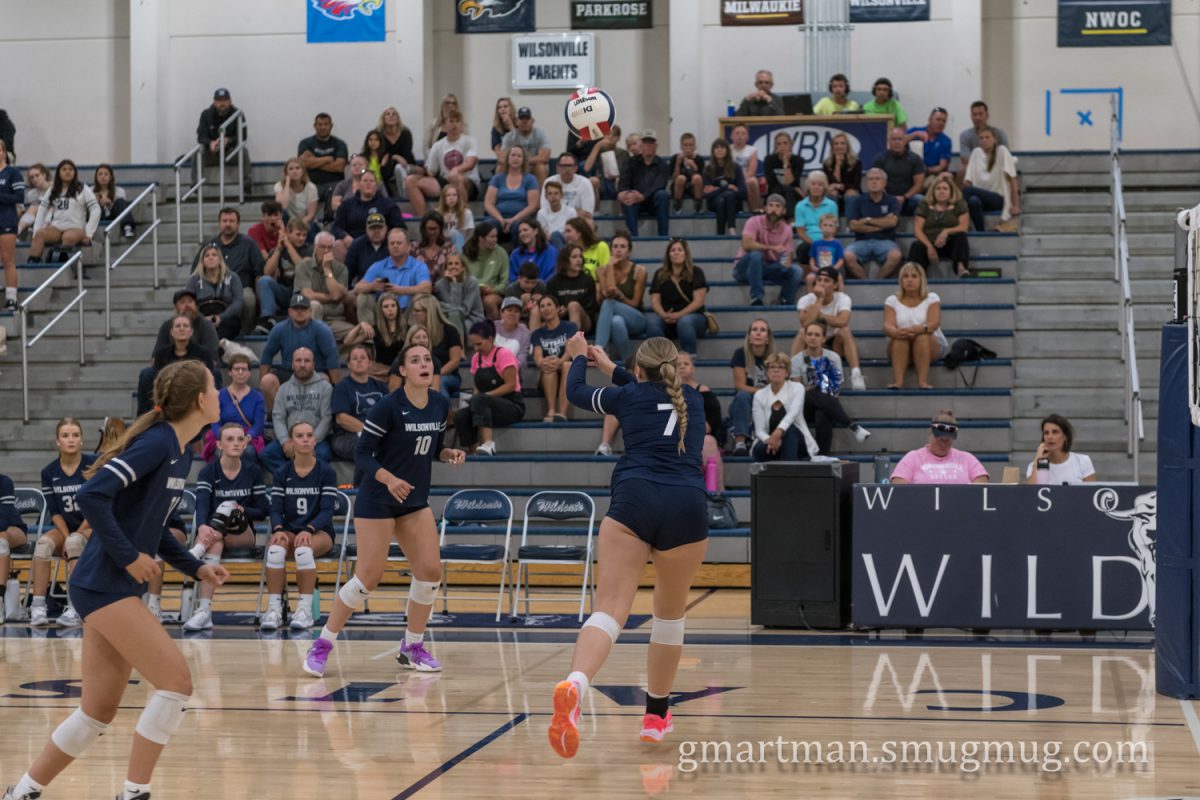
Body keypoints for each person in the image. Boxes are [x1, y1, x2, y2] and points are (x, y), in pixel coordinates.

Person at [4, 360, 228, 800]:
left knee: (97, 712)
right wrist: (128, 558)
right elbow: (92, 495)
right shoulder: (158, 442)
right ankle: (133, 792)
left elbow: (153, 525)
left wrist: (195, 567)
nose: (219, 393)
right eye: (214, 387)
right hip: (104, 583)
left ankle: (21, 792)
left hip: (107, 586)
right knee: (177, 683)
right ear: (201, 400)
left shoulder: (179, 450)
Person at [548, 333, 708, 758]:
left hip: (636, 498)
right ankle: (656, 717)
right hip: (687, 505)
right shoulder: (694, 398)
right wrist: (612, 365)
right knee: (670, 617)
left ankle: (575, 684)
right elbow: (647, 384)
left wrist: (581, 359)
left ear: (636, 371)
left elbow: (576, 392)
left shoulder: (626, 398)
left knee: (610, 611)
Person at [303, 344, 466, 677]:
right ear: (403, 371)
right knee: (368, 578)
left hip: (413, 499)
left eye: (428, 360)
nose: (424, 364)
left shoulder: (438, 404)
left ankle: (412, 647)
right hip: (377, 498)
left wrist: (447, 454)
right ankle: (322, 643)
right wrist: (389, 479)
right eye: (416, 360)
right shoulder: (387, 407)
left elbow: (431, 448)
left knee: (430, 571)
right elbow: (363, 454)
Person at [182, 423, 269, 631]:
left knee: (228, 506)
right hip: (214, 535)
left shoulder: (253, 471)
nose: (236, 443)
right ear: (219, 444)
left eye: (240, 439)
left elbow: (263, 510)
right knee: (214, 543)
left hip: (243, 534)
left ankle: (198, 549)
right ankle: (204, 611)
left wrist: (241, 509)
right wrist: (202, 526)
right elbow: (201, 503)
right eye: (230, 439)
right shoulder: (208, 472)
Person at [261, 421, 338, 631]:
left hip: (319, 532)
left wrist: (309, 529)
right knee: (275, 551)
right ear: (291, 441)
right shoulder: (281, 473)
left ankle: (304, 611)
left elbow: (327, 512)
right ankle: (274, 610)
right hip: (290, 530)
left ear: (315, 440)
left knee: (304, 551)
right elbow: (275, 509)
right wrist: (277, 529)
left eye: (309, 435)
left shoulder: (326, 472)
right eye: (299, 435)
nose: (305, 439)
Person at [31, 418, 96, 627]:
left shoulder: (93, 466)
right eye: (65, 436)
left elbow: (96, 507)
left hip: (93, 527)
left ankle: (76, 607)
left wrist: (76, 534)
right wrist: (67, 534)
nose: (71, 440)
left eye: (75, 435)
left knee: (74, 543)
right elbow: (54, 510)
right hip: (65, 527)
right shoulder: (49, 472)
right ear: (57, 441)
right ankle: (38, 606)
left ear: (82, 440)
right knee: (42, 545)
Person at [791, 321, 871, 454]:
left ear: (823, 339)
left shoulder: (833, 357)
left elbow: (835, 391)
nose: (812, 337)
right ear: (805, 337)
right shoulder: (797, 360)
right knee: (813, 392)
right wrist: (816, 387)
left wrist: (818, 388)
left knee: (823, 413)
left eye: (817, 335)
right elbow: (797, 391)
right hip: (804, 406)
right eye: (809, 334)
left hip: (828, 403)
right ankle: (853, 426)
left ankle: (822, 455)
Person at [454, 320, 525, 455]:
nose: (476, 348)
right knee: (461, 415)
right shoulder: (476, 358)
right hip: (485, 403)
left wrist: (485, 396)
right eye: (473, 345)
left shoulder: (504, 354)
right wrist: (472, 404)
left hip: (512, 405)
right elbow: (477, 387)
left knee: (480, 399)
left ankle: (488, 443)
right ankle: (474, 450)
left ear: (490, 339)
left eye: (479, 344)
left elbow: (511, 385)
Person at [261, 347, 335, 475]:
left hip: (316, 440)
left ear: (313, 364)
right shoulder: (284, 389)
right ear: (292, 364)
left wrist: (312, 441)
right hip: (291, 438)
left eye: (307, 361)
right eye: (298, 360)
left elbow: (327, 418)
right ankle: (291, 478)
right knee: (266, 454)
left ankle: (306, 480)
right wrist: (285, 442)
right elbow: (278, 417)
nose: (302, 365)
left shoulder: (325, 388)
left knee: (323, 454)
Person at [193, 207, 264, 334]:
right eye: (224, 221)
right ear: (219, 223)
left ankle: (245, 332)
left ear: (238, 224)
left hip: (241, 288)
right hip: (211, 288)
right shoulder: (209, 245)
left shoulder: (249, 244)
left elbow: (259, 273)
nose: (228, 224)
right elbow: (195, 272)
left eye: (232, 221)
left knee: (248, 298)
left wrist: (260, 299)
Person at [795, 267, 867, 390]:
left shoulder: (843, 298)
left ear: (835, 285)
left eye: (827, 280)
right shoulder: (806, 299)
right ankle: (794, 375)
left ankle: (856, 374)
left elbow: (843, 321)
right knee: (802, 333)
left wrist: (819, 315)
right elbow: (805, 323)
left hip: (835, 343)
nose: (822, 283)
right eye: (819, 280)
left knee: (845, 330)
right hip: (813, 342)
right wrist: (820, 300)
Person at [138, 315, 221, 414]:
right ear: (172, 332)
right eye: (178, 326)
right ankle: (146, 418)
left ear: (191, 332)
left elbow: (206, 380)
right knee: (146, 374)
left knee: (215, 374)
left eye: (185, 326)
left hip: (195, 394)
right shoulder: (161, 354)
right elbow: (159, 381)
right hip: (169, 394)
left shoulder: (203, 353)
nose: (182, 329)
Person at [883, 262, 948, 390]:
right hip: (901, 344)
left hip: (929, 343)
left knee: (922, 336)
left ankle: (923, 382)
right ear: (901, 280)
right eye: (905, 276)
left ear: (921, 279)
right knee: (899, 338)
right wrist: (895, 332)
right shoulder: (891, 300)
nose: (909, 280)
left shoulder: (932, 298)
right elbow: (887, 325)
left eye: (914, 276)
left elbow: (934, 323)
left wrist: (919, 329)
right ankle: (898, 382)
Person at [293, 231, 361, 349]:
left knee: (363, 333)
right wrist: (329, 297)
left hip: (335, 321)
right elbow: (308, 295)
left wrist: (327, 270)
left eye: (329, 247)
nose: (325, 251)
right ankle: (312, 353)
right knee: (314, 305)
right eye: (322, 247)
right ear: (315, 247)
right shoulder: (303, 266)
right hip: (310, 319)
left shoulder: (341, 269)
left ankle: (339, 356)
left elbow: (336, 296)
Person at [353, 227, 432, 328]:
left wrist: (400, 290)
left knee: (421, 298)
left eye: (399, 243)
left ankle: (415, 334)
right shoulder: (379, 266)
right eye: (392, 243)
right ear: (388, 246)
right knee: (363, 297)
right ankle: (369, 336)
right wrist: (372, 286)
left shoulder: (418, 266)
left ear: (408, 246)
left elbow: (427, 288)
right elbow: (357, 288)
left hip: (408, 311)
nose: (395, 246)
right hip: (383, 313)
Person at [407, 109, 480, 218]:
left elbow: (471, 163)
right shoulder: (438, 145)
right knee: (410, 181)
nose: (454, 125)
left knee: (456, 178)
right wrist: (420, 173)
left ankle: (461, 219)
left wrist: (456, 170)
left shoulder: (470, 141)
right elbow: (431, 172)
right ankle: (422, 219)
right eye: (451, 121)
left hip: (468, 181)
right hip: (446, 181)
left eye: (457, 121)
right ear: (444, 126)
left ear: (462, 125)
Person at [751, 352, 820, 462]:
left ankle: (787, 472)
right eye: (772, 367)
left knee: (791, 430)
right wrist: (771, 440)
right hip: (771, 443)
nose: (776, 370)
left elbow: (792, 414)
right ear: (767, 372)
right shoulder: (759, 395)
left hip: (797, 442)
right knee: (759, 449)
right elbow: (759, 431)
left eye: (781, 367)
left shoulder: (797, 388)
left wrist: (778, 432)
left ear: (787, 373)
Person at [28, 159, 100, 263]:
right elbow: (42, 209)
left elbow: (95, 209)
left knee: (68, 237)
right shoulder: (53, 188)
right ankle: (33, 264)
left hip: (76, 228)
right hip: (56, 228)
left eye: (71, 169)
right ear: (59, 173)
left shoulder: (82, 188)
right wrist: (36, 230)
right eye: (64, 169)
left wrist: (89, 233)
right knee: (39, 235)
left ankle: (61, 266)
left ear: (75, 172)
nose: (67, 172)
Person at [734, 194, 799, 306]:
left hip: (768, 267)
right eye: (771, 205)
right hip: (745, 268)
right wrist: (771, 248)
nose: (773, 209)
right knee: (756, 255)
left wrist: (787, 261)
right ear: (765, 208)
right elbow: (747, 244)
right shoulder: (753, 221)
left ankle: (784, 301)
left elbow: (788, 253)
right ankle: (756, 298)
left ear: (784, 211)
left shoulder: (787, 229)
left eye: (778, 206)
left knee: (796, 270)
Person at [645, 238, 708, 355]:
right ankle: (658, 360)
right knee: (653, 323)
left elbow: (698, 301)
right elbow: (655, 300)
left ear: (686, 253)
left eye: (680, 250)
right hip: (666, 318)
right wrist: (663, 315)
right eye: (673, 250)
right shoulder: (660, 274)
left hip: (693, 318)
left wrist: (679, 315)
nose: (676, 252)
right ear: (668, 255)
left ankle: (689, 358)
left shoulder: (696, 272)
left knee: (685, 322)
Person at [891, 410, 989, 484]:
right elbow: (898, 483)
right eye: (940, 439)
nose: (943, 444)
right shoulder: (913, 458)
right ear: (931, 434)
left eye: (948, 440)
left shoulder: (966, 458)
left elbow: (982, 480)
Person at [594, 230, 648, 363]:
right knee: (616, 321)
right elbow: (608, 292)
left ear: (629, 251)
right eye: (615, 246)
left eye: (622, 247)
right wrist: (610, 268)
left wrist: (622, 297)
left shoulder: (639, 271)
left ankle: (598, 349)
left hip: (636, 318)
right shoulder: (601, 270)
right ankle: (629, 362)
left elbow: (635, 303)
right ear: (611, 250)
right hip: (613, 319)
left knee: (610, 302)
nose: (618, 250)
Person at [202, 353, 266, 462]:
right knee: (219, 452)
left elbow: (258, 425)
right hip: (224, 435)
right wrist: (224, 437)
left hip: (247, 436)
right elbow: (215, 422)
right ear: (230, 372)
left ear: (249, 373)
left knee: (248, 452)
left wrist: (247, 438)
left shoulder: (258, 397)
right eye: (237, 369)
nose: (240, 372)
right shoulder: (219, 395)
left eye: (244, 369)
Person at [331, 170, 404, 264]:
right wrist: (344, 236)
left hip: (381, 243)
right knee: (338, 244)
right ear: (359, 184)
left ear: (376, 185)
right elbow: (336, 227)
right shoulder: (346, 204)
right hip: (352, 243)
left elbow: (399, 227)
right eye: (365, 181)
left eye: (371, 181)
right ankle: (345, 277)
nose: (368, 183)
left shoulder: (388, 204)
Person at [330, 345, 387, 463]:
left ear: (370, 363)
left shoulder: (381, 387)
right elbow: (341, 419)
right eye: (355, 358)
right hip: (347, 436)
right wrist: (370, 432)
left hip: (378, 434)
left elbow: (390, 413)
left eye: (363, 357)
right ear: (349, 364)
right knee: (368, 448)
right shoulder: (342, 387)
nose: (359, 360)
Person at [844, 168, 902, 280]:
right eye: (871, 179)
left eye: (877, 179)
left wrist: (867, 220)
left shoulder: (892, 200)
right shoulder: (857, 200)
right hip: (862, 241)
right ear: (866, 183)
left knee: (896, 255)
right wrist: (882, 224)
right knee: (847, 255)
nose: (874, 182)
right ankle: (865, 282)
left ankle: (878, 281)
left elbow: (892, 222)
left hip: (885, 241)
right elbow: (853, 226)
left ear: (884, 183)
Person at [728, 318, 774, 457]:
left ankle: (756, 438)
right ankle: (740, 443)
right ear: (749, 337)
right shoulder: (740, 353)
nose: (758, 333)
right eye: (754, 330)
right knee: (742, 395)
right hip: (744, 403)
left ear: (768, 338)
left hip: (766, 403)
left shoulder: (774, 357)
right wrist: (763, 391)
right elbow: (740, 386)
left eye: (762, 330)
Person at [407, 293, 465, 401]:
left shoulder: (450, 330)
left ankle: (443, 417)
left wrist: (435, 376)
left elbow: (455, 361)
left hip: (448, 375)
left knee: (439, 383)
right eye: (413, 310)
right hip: (420, 375)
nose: (414, 314)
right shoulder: (414, 332)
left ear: (428, 311)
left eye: (417, 310)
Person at [910, 174, 971, 278]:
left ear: (951, 191)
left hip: (950, 244)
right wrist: (929, 246)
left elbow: (964, 227)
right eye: (938, 189)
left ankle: (961, 268)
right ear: (933, 191)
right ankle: (916, 275)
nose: (941, 191)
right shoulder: (924, 205)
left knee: (961, 236)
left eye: (945, 189)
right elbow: (917, 230)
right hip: (929, 242)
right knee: (917, 246)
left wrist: (946, 231)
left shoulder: (959, 204)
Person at [532, 294, 579, 421]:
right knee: (548, 367)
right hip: (548, 372)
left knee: (567, 365)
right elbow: (537, 355)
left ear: (558, 308)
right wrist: (542, 362)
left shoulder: (570, 327)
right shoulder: (537, 333)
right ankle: (551, 410)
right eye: (542, 306)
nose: (545, 309)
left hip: (564, 367)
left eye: (549, 305)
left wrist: (560, 361)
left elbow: (571, 348)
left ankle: (562, 414)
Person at [963, 126, 1020, 232]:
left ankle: (956, 216)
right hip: (981, 199)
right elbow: (968, 181)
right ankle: (981, 232)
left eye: (987, 137)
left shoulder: (1002, 151)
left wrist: (1015, 205)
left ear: (994, 139)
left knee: (967, 191)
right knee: (973, 201)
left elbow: (1012, 179)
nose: (984, 140)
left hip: (998, 199)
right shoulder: (976, 153)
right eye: (981, 138)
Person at [619, 129, 671, 237]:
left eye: (651, 143)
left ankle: (663, 236)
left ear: (656, 146)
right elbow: (624, 182)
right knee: (627, 198)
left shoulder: (663, 165)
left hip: (653, 201)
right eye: (645, 143)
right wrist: (623, 192)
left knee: (663, 195)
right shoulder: (629, 163)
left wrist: (643, 196)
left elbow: (660, 184)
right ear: (641, 146)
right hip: (635, 201)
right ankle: (633, 238)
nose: (648, 146)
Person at [484, 145, 540, 244]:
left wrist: (513, 220)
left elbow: (533, 206)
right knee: (486, 228)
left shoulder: (530, 179)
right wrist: (501, 220)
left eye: (519, 156)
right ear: (507, 158)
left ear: (523, 160)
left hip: (521, 218)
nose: (515, 158)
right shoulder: (497, 178)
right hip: (499, 218)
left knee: (519, 228)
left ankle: (517, 257)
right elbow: (488, 204)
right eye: (513, 155)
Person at [187, 244, 244, 340]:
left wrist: (221, 317)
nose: (210, 258)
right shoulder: (193, 280)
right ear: (202, 261)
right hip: (201, 318)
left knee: (224, 330)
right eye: (207, 255)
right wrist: (203, 319)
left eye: (214, 255)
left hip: (226, 318)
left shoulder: (233, 277)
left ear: (220, 260)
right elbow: (189, 303)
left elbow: (238, 302)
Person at [298, 113, 349, 218]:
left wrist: (314, 160)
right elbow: (303, 164)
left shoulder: (340, 144)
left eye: (326, 124)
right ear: (315, 126)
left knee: (336, 191)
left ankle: (330, 224)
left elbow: (339, 167)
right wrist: (327, 159)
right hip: (311, 183)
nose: (323, 127)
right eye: (320, 124)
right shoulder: (305, 143)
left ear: (331, 126)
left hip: (334, 183)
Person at [1026, 414, 1096, 484]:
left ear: (1065, 436)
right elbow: (1031, 492)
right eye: (1046, 433)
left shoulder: (1082, 461)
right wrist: (1038, 460)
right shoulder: (1035, 465)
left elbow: (1092, 492)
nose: (1050, 437)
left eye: (1055, 432)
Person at [873, 127, 925, 215]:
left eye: (900, 139)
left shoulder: (915, 159)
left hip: (909, 198)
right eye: (894, 139)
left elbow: (919, 184)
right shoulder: (880, 159)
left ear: (905, 141)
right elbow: (876, 182)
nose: (897, 142)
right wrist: (891, 198)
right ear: (889, 142)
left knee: (920, 200)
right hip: (885, 197)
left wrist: (904, 197)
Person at [547, 244, 598, 334]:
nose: (579, 260)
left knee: (573, 305)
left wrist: (570, 309)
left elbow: (591, 309)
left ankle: (574, 341)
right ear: (565, 261)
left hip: (585, 321)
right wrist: (558, 312)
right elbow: (550, 304)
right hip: (560, 320)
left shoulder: (588, 280)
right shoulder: (553, 282)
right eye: (574, 257)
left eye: (580, 257)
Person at [463, 222, 509, 319]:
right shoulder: (465, 253)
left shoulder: (501, 253)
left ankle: (494, 331)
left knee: (489, 301)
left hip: (493, 292)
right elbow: (462, 277)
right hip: (471, 291)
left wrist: (493, 289)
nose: (495, 240)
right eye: (492, 237)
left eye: (496, 236)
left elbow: (505, 282)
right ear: (481, 238)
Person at [703, 138, 746, 236]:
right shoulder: (708, 170)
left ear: (727, 150)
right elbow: (707, 194)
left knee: (727, 197)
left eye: (722, 147)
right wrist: (726, 188)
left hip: (734, 203)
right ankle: (732, 228)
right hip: (714, 203)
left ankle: (721, 233)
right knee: (725, 196)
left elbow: (743, 193)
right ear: (713, 151)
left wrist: (717, 190)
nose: (719, 150)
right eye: (716, 147)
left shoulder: (736, 168)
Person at [0, 471, 28, 623]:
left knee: (0, 539)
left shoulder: (4, 482)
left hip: (13, 529)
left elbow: (4, 521)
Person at [435, 250, 485, 334]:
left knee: (458, 323)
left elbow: (464, 311)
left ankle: (459, 347)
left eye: (457, 263)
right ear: (446, 267)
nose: (453, 266)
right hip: (450, 317)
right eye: (450, 264)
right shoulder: (440, 285)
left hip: (473, 318)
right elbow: (454, 310)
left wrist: (455, 284)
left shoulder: (472, 282)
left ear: (463, 267)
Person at [501, 106, 552, 184]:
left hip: (533, 166)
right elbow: (502, 158)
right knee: (500, 168)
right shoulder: (509, 137)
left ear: (532, 121)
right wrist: (518, 163)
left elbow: (544, 158)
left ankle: (541, 195)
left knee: (540, 168)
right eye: (522, 119)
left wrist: (522, 160)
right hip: (514, 166)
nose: (525, 121)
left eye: (527, 119)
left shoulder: (541, 134)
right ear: (516, 122)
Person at [197, 87, 245, 167]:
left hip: (230, 151)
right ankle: (196, 180)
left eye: (225, 100)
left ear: (230, 101)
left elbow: (243, 136)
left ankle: (247, 180)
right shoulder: (206, 114)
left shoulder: (238, 115)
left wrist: (228, 140)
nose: (222, 103)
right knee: (197, 155)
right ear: (214, 102)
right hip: (212, 151)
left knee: (244, 153)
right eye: (219, 100)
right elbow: (201, 136)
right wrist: (210, 143)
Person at [0, 140, 23, 309]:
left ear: (4, 152)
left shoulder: (12, 173)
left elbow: (19, 197)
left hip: (6, 219)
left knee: (8, 260)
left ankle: (11, 298)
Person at [959, 101, 1010, 173]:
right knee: (962, 169)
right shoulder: (965, 135)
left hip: (996, 165)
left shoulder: (1000, 133)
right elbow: (965, 158)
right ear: (971, 116)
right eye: (975, 114)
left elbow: (1006, 156)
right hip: (974, 167)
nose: (977, 117)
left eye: (980, 114)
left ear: (987, 115)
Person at [586, 125, 631, 207]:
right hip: (602, 181)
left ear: (618, 138)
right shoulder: (597, 150)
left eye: (614, 135)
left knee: (621, 182)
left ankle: (621, 210)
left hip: (617, 181)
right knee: (593, 181)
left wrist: (618, 177)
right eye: (607, 134)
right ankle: (596, 210)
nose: (610, 137)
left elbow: (627, 172)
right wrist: (597, 146)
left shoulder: (623, 153)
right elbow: (586, 168)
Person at [543, 152, 595, 222]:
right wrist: (575, 211)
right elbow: (545, 211)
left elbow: (588, 214)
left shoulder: (585, 183)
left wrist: (558, 210)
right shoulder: (549, 182)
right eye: (563, 166)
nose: (567, 169)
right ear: (557, 168)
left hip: (578, 223)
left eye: (570, 166)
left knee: (589, 222)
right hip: (553, 222)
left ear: (576, 168)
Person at [908, 107, 953, 186]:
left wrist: (926, 170)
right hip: (909, 174)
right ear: (930, 120)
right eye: (938, 120)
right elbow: (899, 140)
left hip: (929, 175)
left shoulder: (945, 141)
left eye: (944, 121)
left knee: (941, 179)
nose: (941, 123)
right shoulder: (916, 131)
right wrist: (914, 135)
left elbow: (942, 166)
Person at [344, 212, 389, 286]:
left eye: (380, 228)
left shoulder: (392, 244)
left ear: (386, 229)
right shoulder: (357, 245)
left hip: (389, 289)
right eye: (373, 228)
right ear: (366, 229)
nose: (376, 231)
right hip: (364, 289)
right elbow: (349, 272)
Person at [274, 158, 319, 232]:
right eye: (291, 169)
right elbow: (282, 206)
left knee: (309, 228)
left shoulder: (311, 187)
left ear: (303, 171)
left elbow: (311, 214)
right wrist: (287, 183)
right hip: (287, 221)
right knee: (283, 214)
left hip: (305, 221)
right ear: (286, 172)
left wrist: (298, 224)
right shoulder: (279, 186)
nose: (294, 171)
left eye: (297, 168)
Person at [763, 131, 804, 213]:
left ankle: (789, 219)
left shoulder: (798, 160)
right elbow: (772, 183)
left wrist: (786, 162)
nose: (782, 146)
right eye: (779, 144)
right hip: (775, 192)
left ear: (791, 145)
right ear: (775, 146)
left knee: (788, 189)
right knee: (783, 189)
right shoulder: (769, 160)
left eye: (785, 143)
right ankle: (789, 219)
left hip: (793, 194)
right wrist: (789, 185)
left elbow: (792, 182)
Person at [90, 163, 134, 239]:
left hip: (114, 216)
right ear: (96, 177)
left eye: (106, 174)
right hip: (99, 216)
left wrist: (110, 203)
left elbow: (121, 207)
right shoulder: (90, 191)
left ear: (111, 177)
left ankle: (127, 228)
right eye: (100, 174)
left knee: (120, 201)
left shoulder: (119, 190)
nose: (103, 176)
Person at [413, 211, 456, 284]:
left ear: (441, 228)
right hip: (420, 289)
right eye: (429, 229)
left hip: (443, 288)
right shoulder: (414, 248)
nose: (432, 232)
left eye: (435, 228)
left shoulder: (449, 248)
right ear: (423, 229)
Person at [504, 261, 549, 329]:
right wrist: (521, 303)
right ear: (519, 278)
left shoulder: (541, 286)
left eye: (533, 282)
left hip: (539, 319)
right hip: (519, 321)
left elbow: (549, 310)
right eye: (527, 282)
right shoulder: (511, 290)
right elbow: (508, 314)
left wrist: (542, 301)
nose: (530, 286)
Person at [806, 214, 846, 291]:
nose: (827, 227)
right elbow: (812, 258)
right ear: (820, 227)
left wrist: (834, 269)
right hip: (819, 270)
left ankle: (841, 298)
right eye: (825, 225)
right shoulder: (816, 243)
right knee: (809, 278)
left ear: (835, 229)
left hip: (832, 270)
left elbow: (841, 260)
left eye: (830, 226)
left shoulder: (837, 244)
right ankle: (810, 297)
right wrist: (813, 267)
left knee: (839, 278)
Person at [823, 132, 861, 211]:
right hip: (835, 192)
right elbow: (830, 183)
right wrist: (837, 165)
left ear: (847, 146)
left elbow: (855, 184)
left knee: (850, 193)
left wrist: (839, 186)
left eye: (842, 143)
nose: (839, 146)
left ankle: (851, 222)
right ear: (832, 147)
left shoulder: (856, 162)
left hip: (851, 191)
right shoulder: (827, 163)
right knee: (832, 193)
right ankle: (831, 221)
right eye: (836, 144)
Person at [370, 295, 406, 379]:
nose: (390, 309)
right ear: (380, 310)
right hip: (381, 371)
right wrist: (361, 325)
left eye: (393, 306)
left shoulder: (407, 329)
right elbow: (348, 341)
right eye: (386, 306)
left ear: (398, 308)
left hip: (401, 371)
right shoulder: (376, 329)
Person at [730, 124, 763, 214]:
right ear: (732, 136)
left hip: (746, 178)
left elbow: (751, 172)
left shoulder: (752, 150)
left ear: (747, 137)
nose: (740, 136)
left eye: (743, 133)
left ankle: (755, 211)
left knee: (752, 181)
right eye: (737, 133)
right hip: (732, 179)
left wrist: (741, 181)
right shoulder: (728, 150)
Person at [669, 133, 705, 213]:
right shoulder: (675, 158)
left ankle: (698, 205)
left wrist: (694, 168)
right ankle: (677, 205)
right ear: (681, 147)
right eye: (685, 145)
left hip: (693, 188)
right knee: (681, 178)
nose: (688, 148)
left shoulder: (700, 159)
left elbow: (700, 180)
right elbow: (674, 179)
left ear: (695, 147)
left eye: (691, 145)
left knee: (697, 177)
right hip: (679, 187)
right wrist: (678, 164)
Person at [537, 182, 577, 250]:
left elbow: (573, 233)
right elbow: (544, 235)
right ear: (546, 196)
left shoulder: (571, 211)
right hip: (549, 244)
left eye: (556, 193)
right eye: (550, 194)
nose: (553, 197)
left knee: (555, 235)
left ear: (561, 195)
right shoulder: (541, 213)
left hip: (567, 243)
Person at [17, 162, 50, 241]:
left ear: (44, 175)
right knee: (34, 206)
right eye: (32, 177)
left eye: (37, 176)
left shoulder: (54, 188)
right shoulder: (31, 194)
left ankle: (17, 232)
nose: (35, 179)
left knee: (36, 206)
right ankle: (17, 232)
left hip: (53, 218)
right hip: (38, 219)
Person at [436, 184, 475, 251]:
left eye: (454, 195)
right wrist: (442, 222)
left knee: (457, 235)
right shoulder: (437, 213)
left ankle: (458, 258)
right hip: (443, 243)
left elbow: (467, 235)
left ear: (458, 197)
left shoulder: (466, 212)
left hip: (461, 244)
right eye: (448, 195)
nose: (452, 198)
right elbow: (434, 234)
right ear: (443, 198)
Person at [495, 296, 532, 365]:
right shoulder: (493, 326)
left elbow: (522, 357)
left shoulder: (525, 333)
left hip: (512, 371)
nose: (512, 314)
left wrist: (508, 368)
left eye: (516, 311)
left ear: (520, 315)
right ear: (501, 312)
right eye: (509, 310)